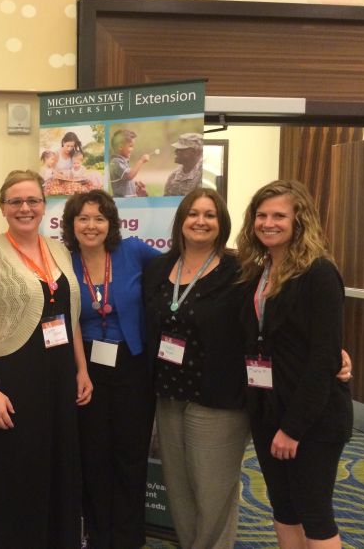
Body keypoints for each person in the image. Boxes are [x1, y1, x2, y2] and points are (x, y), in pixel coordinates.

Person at [0, 169, 93, 549]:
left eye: (33, 200)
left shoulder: (58, 249)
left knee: (59, 473)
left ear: (43, 204)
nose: (25, 208)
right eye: (15, 201)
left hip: (59, 380)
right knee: (17, 479)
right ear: (3, 207)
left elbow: (71, 316)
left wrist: (81, 370)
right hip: (12, 384)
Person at [236, 180, 352, 549]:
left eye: (279, 215)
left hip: (311, 419)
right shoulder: (258, 271)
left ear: (299, 220)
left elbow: (323, 359)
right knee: (283, 507)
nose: (268, 223)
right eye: (262, 215)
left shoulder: (319, 273)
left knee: (315, 513)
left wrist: (293, 428)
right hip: (268, 409)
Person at [143, 188, 249, 549]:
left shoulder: (240, 271)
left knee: (213, 491)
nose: (200, 221)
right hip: (169, 393)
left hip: (217, 398)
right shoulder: (159, 267)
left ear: (221, 223)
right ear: (181, 220)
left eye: (210, 215)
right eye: (193, 214)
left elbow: (270, 322)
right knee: (180, 490)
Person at [61, 190, 159, 549]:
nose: (91, 226)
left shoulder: (133, 251)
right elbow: (64, 318)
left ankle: (130, 537)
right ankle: (99, 535)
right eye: (83, 218)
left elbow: (184, 266)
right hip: (85, 366)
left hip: (132, 363)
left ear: (111, 223)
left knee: (131, 454)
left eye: (99, 218)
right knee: (94, 455)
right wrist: (80, 370)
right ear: (71, 224)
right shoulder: (63, 260)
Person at [108, 129, 149, 197]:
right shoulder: (115, 162)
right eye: (130, 146)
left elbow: (125, 179)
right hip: (122, 202)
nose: (132, 149)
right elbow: (129, 175)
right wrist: (141, 161)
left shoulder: (123, 162)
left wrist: (134, 184)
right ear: (120, 147)